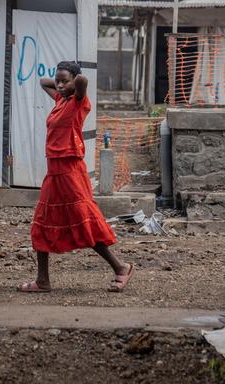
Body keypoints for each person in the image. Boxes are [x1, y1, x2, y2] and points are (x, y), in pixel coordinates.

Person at [17, 61, 135, 293]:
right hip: (54, 171)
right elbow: (43, 82)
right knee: (42, 223)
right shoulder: (61, 100)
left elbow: (82, 82)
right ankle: (42, 281)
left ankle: (121, 267)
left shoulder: (80, 102)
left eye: (64, 81)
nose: (59, 85)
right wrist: (63, 83)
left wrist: (73, 81)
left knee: (84, 222)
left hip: (70, 170)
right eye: (57, 81)